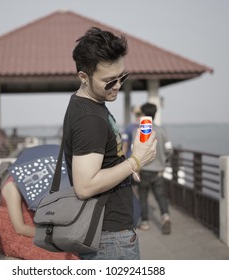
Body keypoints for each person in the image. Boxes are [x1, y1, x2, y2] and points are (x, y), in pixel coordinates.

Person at [62, 27, 157, 260]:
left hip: (108, 235)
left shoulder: (90, 106)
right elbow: (85, 186)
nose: (117, 85)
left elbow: (101, 161)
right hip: (109, 239)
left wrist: (124, 167)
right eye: (108, 81)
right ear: (84, 77)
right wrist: (135, 161)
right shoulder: (90, 119)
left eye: (122, 77)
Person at [0, 175, 79, 260]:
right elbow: (20, 228)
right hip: (17, 237)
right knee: (64, 257)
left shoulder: (28, 182)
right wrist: (52, 234)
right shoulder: (12, 187)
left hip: (32, 229)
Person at [137, 102, 173, 234]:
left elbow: (136, 150)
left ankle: (145, 222)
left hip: (144, 170)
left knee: (143, 196)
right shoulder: (162, 130)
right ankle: (165, 216)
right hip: (158, 171)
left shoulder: (142, 131)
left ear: (144, 114)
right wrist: (163, 160)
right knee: (161, 196)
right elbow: (169, 150)